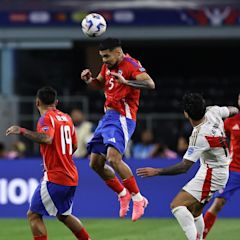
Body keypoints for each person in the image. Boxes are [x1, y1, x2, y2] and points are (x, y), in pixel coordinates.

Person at [137, 93, 238, 240]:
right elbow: (233, 110)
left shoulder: (199, 135)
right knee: (195, 211)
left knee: (177, 206)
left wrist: (157, 171)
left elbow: (185, 167)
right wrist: (237, 111)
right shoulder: (214, 111)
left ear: (186, 114)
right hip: (215, 169)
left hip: (212, 173)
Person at [81, 37, 155, 221]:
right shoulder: (108, 66)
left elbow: (150, 84)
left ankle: (139, 199)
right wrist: (89, 80)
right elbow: (100, 83)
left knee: (114, 159)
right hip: (107, 117)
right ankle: (123, 194)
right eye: (102, 57)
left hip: (123, 117)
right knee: (95, 163)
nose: (104, 60)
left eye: (106, 56)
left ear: (118, 52)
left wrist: (126, 82)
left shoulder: (131, 64)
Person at [6, 86, 91, 240]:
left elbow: (47, 138)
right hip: (71, 174)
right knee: (64, 215)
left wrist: (22, 131)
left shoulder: (45, 118)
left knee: (33, 214)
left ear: (37, 102)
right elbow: (74, 146)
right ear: (56, 102)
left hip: (56, 177)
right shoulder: (67, 118)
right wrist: (58, 157)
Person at [203, 93, 240, 239]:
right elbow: (220, 139)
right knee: (218, 204)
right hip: (234, 170)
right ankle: (200, 236)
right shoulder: (231, 121)